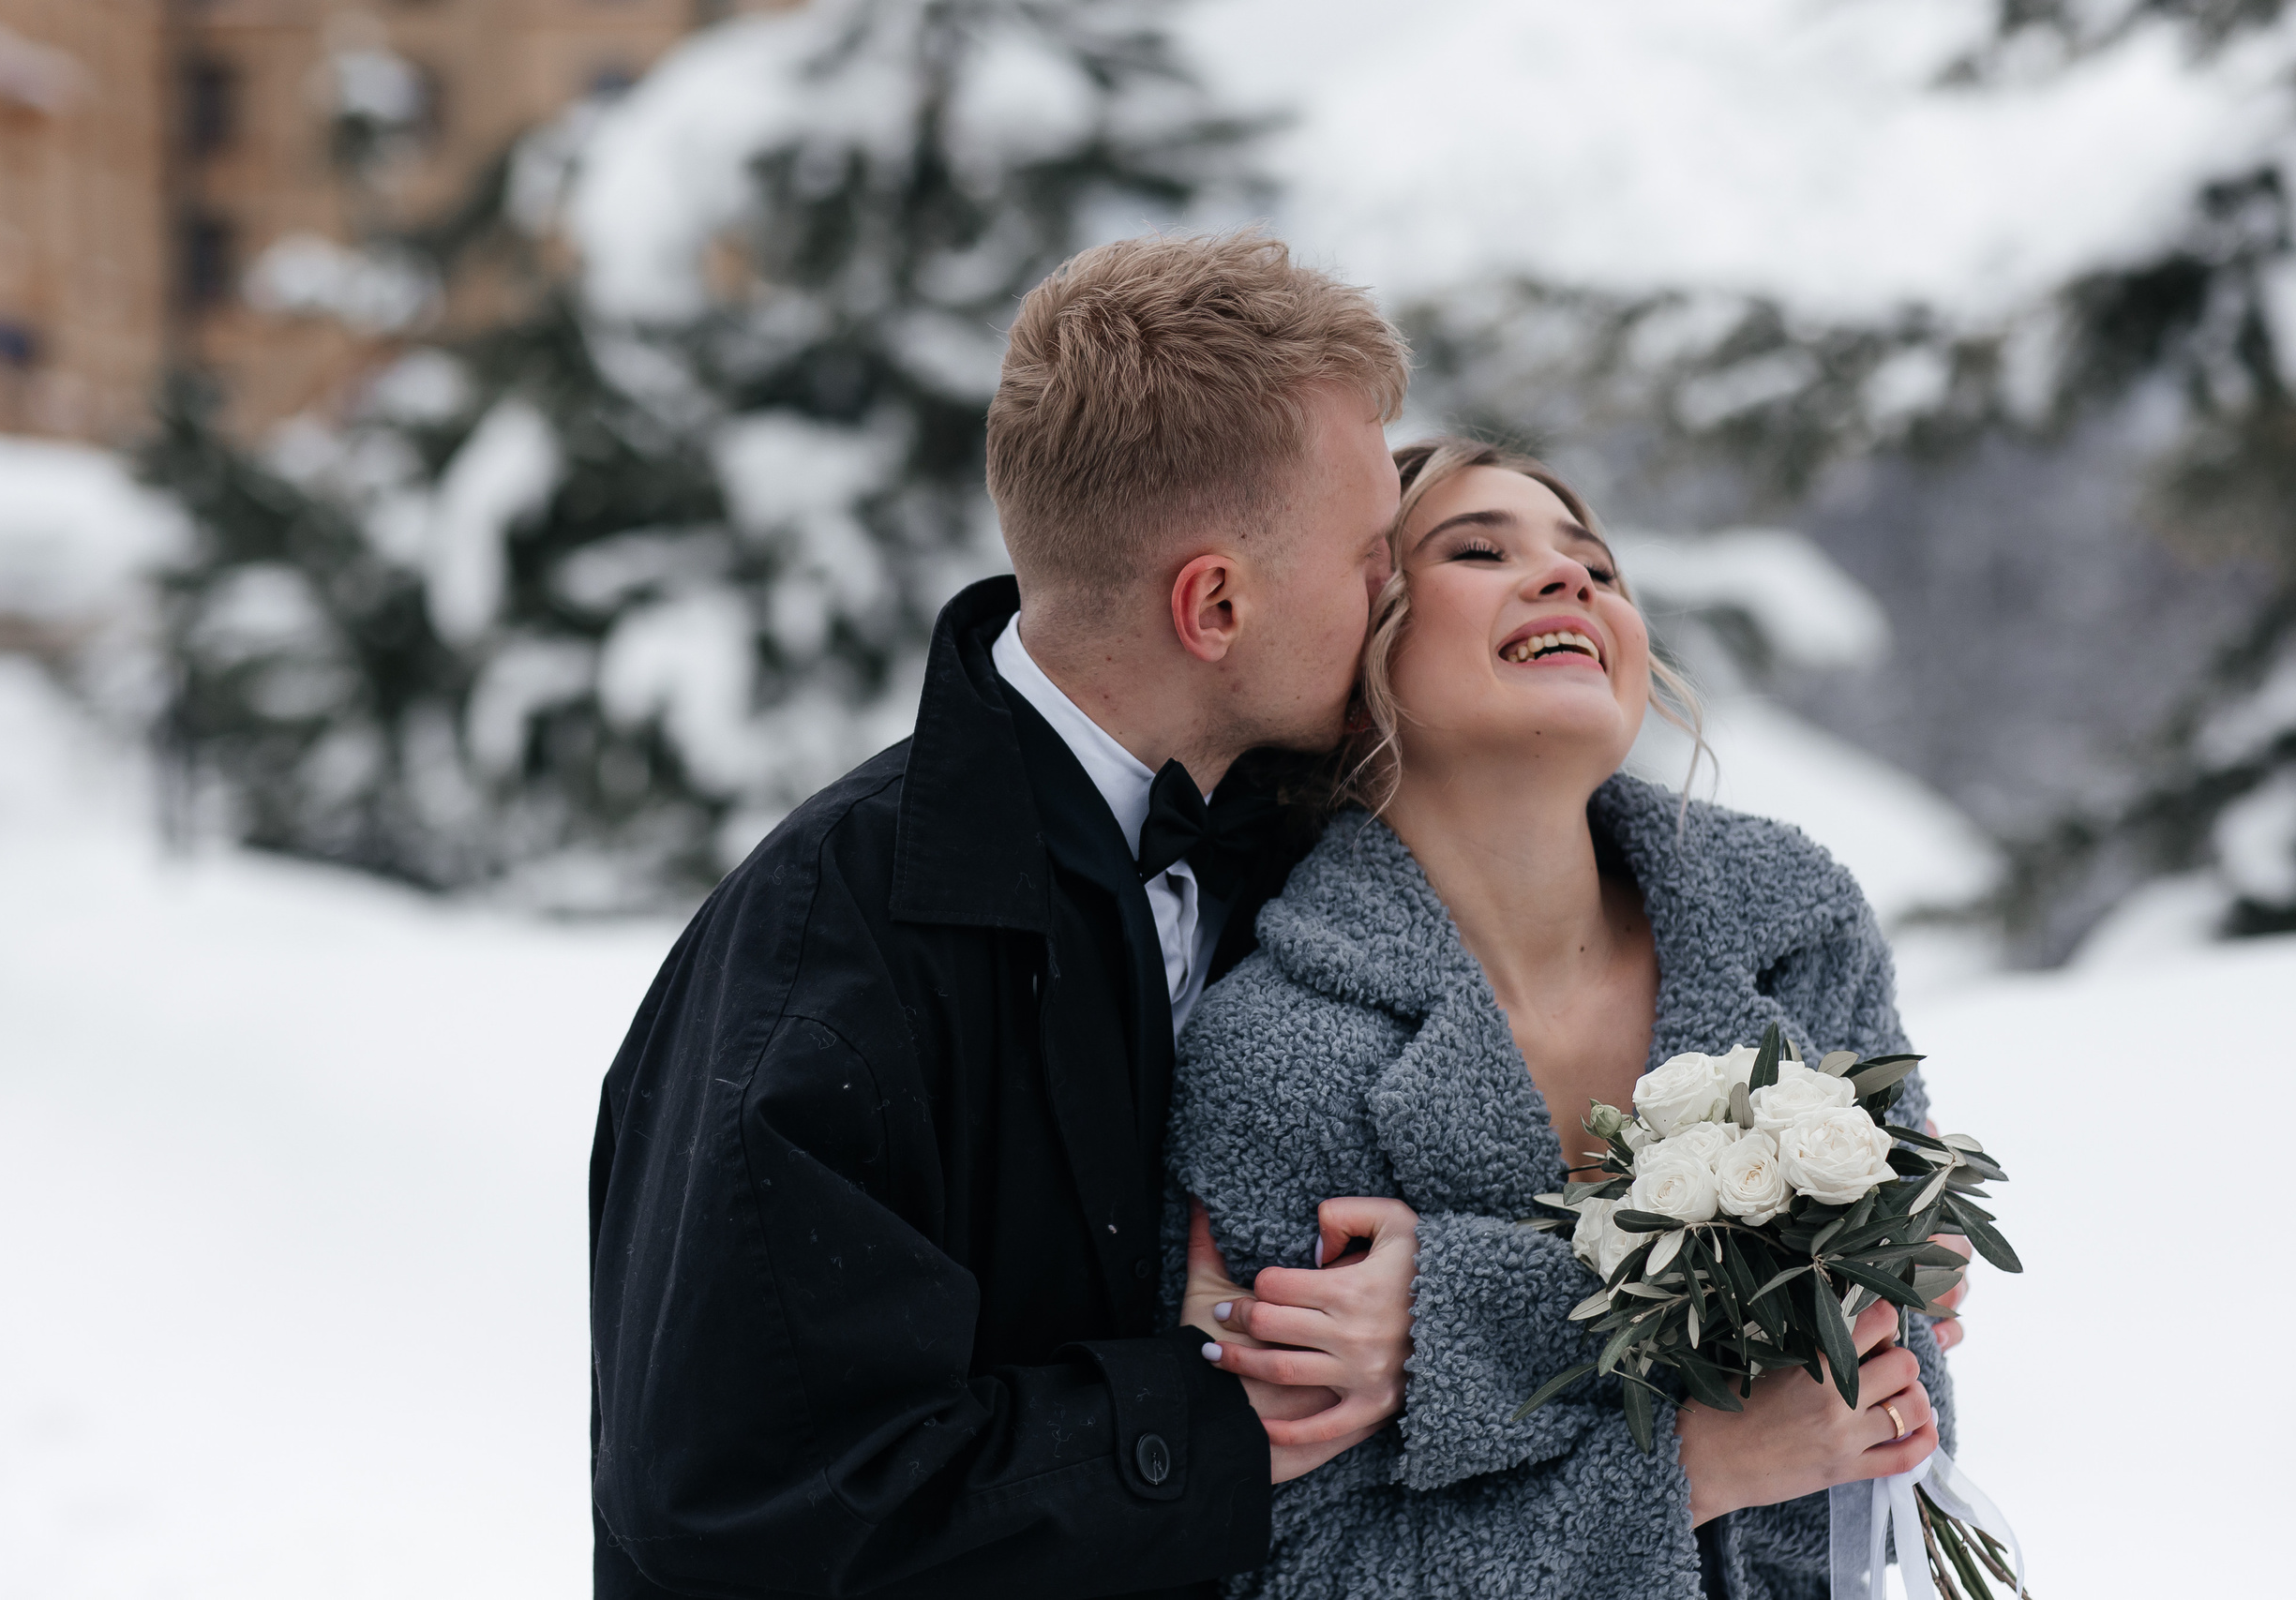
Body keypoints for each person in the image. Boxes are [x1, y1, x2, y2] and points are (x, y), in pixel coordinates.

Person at [586, 230, 1423, 1599]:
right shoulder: (823, 944)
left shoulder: (1311, 857)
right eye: (1368, 559)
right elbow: (750, 1502)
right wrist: (1211, 1415)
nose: (1392, 599)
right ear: (1213, 601)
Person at [1168, 438, 1963, 1599]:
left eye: (1596, 563)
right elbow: (1295, 1573)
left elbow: (1898, 1426)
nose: (1571, 579)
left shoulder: (1790, 925)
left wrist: (1457, 1313)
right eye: (1479, 549)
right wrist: (1687, 1469)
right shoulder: (1273, 1057)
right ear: (1355, 647)